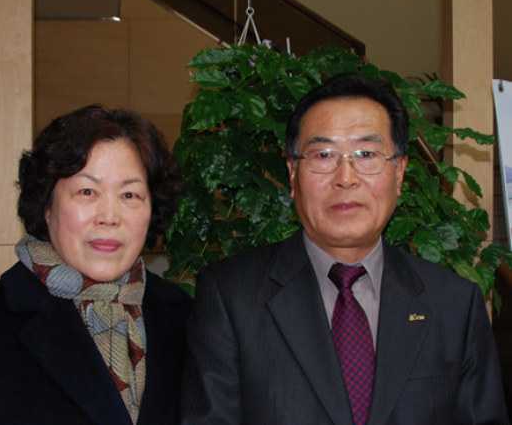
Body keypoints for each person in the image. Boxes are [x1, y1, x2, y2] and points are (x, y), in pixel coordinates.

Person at [181, 73, 509, 424]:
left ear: (399, 173)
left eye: (366, 154)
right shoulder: (230, 296)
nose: (346, 177)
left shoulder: (454, 304)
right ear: (293, 174)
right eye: (323, 155)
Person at [0, 105, 192, 424]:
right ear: (46, 205)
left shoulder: (184, 317)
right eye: (87, 191)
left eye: (129, 195)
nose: (109, 216)